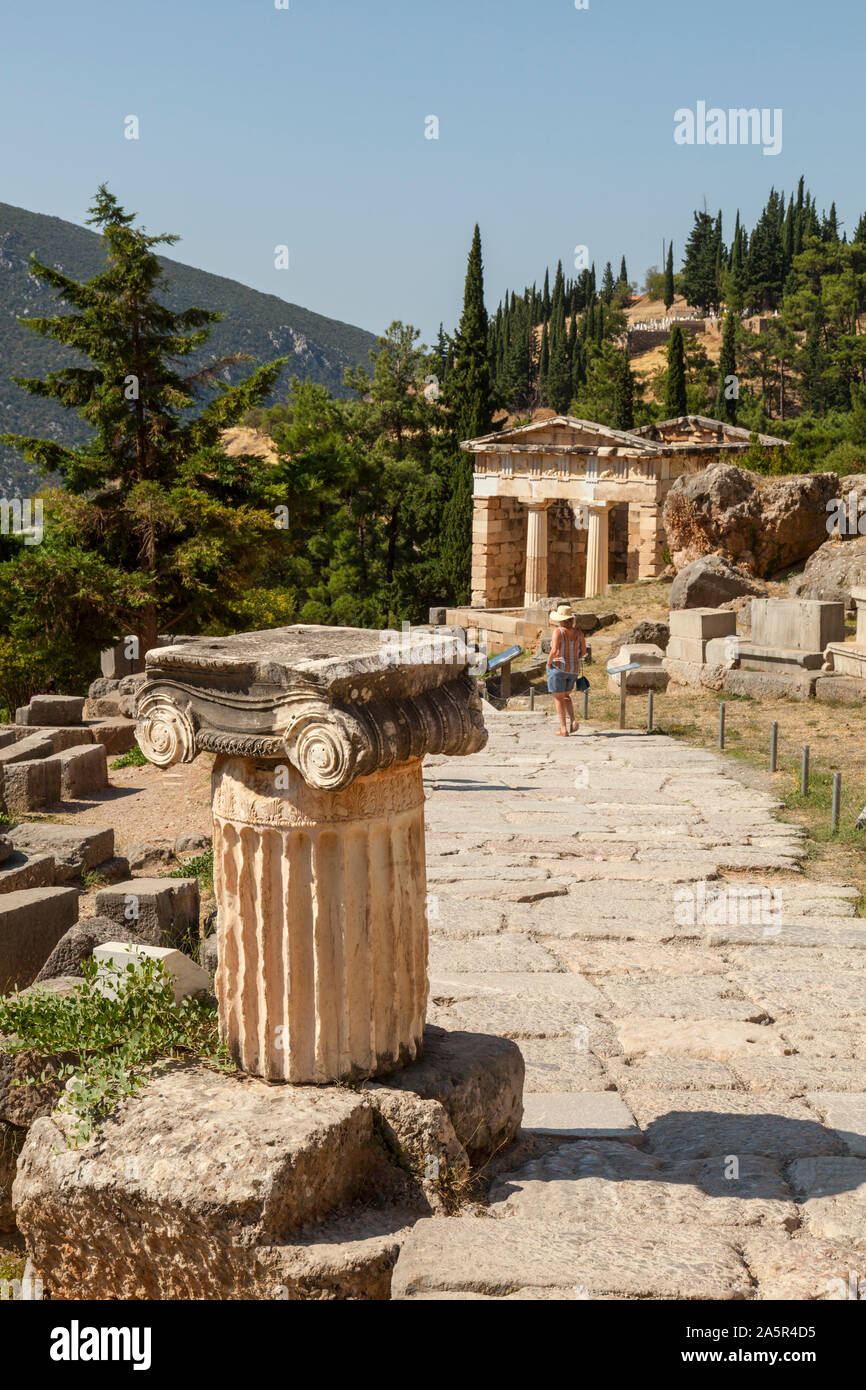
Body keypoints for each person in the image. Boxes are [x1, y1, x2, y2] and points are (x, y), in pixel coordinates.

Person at [546, 603, 587, 736]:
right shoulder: (578, 632)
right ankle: (573, 721)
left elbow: (554, 650)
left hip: (559, 667)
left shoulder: (558, 631)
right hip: (574, 669)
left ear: (561, 619)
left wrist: (548, 662)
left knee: (558, 698)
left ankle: (563, 728)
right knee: (566, 696)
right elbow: (584, 652)